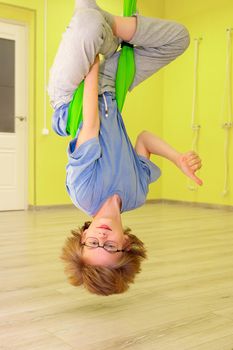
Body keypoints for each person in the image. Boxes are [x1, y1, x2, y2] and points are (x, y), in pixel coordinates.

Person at [48, 1, 203, 296]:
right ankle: (110, 26)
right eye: (110, 247)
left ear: (83, 235)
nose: (101, 238)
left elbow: (90, 125)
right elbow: (144, 139)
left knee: (89, 26)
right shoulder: (136, 195)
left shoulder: (85, 193)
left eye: (92, 243)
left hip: (73, 95)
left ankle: (101, 26)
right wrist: (176, 158)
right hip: (111, 90)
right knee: (178, 38)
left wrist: (92, 67)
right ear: (126, 244)